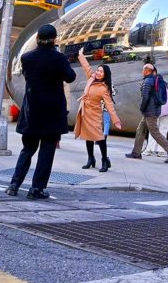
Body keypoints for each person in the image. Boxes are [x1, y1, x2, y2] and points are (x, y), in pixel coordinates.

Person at [6, 24, 77, 199]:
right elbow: (71, 77)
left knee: (27, 149)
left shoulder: (27, 58)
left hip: (32, 111)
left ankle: (14, 184)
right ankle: (36, 189)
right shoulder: (59, 58)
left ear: (37, 38)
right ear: (55, 40)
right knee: (46, 151)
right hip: (52, 112)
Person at [74, 47, 122, 172]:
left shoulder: (104, 88)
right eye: (98, 70)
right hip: (85, 111)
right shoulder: (91, 78)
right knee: (87, 137)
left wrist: (115, 120)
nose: (98, 73)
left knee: (99, 138)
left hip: (95, 114)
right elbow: (87, 67)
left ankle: (104, 160)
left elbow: (109, 105)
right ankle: (91, 159)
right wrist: (81, 55)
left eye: (101, 72)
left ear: (105, 75)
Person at [125, 63, 168, 162]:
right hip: (153, 110)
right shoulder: (155, 80)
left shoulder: (147, 81)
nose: (142, 72)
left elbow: (145, 97)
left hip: (150, 112)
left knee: (155, 132)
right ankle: (136, 153)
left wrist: (142, 108)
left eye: (143, 70)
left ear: (146, 71)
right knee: (140, 130)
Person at [144, 71, 168, 157]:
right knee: (163, 130)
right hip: (167, 110)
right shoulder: (166, 85)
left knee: (153, 130)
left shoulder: (152, 84)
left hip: (156, 110)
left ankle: (149, 150)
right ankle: (161, 151)